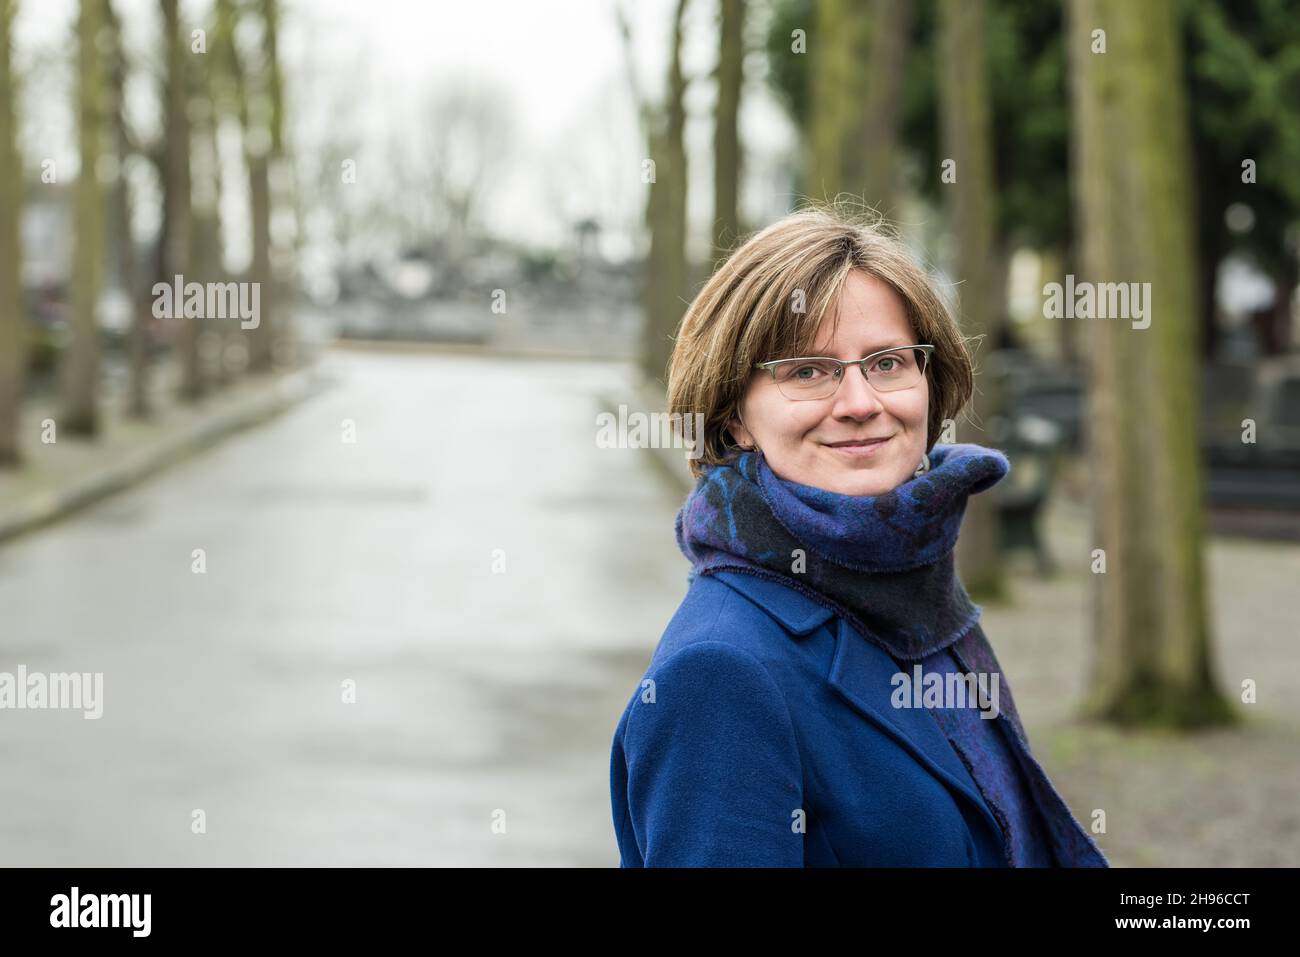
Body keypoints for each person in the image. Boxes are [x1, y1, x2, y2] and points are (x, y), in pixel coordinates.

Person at [608, 204, 1109, 867]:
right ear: (733, 418)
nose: (860, 402)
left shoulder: (920, 599)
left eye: (888, 362)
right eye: (808, 371)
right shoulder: (720, 676)